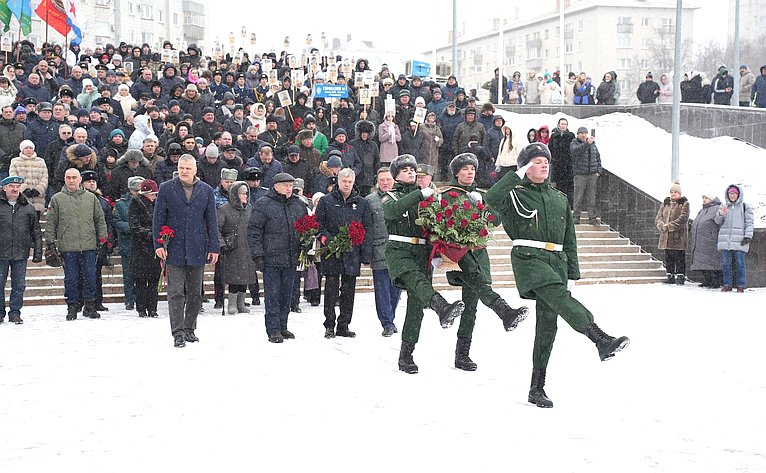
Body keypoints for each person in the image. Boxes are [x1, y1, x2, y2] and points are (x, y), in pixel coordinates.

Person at [485, 143, 630, 408]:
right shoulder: (514, 194)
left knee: (548, 325)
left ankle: (536, 388)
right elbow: (492, 199)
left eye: (546, 162)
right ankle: (599, 338)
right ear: (526, 167)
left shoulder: (559, 198)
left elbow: (569, 239)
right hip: (529, 259)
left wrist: (572, 272)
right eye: (537, 161)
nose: (544, 165)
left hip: (557, 261)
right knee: (557, 297)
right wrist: (516, 174)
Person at [440, 153, 529, 371]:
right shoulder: (448, 195)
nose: (470, 172)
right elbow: (444, 220)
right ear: (456, 173)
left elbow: (495, 220)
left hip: (478, 253)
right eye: (465, 169)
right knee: (480, 287)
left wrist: (483, 207)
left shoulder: (480, 194)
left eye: (472, 169)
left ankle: (462, 354)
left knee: (471, 307)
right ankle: (504, 311)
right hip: (458, 254)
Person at [382, 154, 465, 374]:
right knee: (417, 281)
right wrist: (419, 194)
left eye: (412, 170)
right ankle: (441, 307)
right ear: (397, 176)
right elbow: (392, 211)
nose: (410, 173)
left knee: (416, 305)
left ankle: (406, 354)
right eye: (405, 170)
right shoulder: (390, 195)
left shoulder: (428, 198)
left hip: (422, 251)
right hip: (400, 251)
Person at [153, 154, 220, 348]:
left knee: (195, 294)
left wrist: (214, 246)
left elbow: (212, 221)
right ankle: (178, 332)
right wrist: (158, 244)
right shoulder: (166, 188)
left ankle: (190, 329)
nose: (184, 171)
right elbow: (158, 219)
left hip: (198, 247)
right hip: (173, 248)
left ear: (195, 170)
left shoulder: (206, 191)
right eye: (181, 167)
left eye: (188, 168)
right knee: (175, 293)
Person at [249, 173, 308, 342]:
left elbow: (305, 227)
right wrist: (258, 254)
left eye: (291, 185)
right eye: (285, 185)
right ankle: (273, 329)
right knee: (273, 295)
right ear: (275, 186)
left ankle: (283, 326)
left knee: (286, 295)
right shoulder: (263, 204)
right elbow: (254, 230)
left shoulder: (298, 204)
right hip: (271, 258)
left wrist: (306, 243)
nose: (289, 189)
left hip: (291, 258)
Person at [315, 168, 372, 339]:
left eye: (349, 182)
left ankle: (344, 324)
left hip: (352, 252)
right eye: (343, 181)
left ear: (353, 182)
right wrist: (327, 239)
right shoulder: (326, 201)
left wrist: (366, 254)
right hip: (332, 252)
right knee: (331, 289)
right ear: (338, 182)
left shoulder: (362, 203)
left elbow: (367, 228)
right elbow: (318, 225)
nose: (346, 185)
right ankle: (329, 324)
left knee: (348, 291)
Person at [46, 168, 108, 320]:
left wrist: (103, 239)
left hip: (89, 246)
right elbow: (51, 222)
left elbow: (100, 219)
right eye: (68, 177)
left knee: (90, 277)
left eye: (74, 177)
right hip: (68, 247)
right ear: (64, 179)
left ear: (80, 179)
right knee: (71, 279)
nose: (71, 180)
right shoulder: (57, 199)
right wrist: (50, 243)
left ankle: (90, 306)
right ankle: (72, 306)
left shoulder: (91, 198)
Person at [0, 175, 42, 324]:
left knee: (19, 285)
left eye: (17, 187)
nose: (15, 189)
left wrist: (38, 252)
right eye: (11, 186)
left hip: (20, 253)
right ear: (4, 188)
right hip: (1, 253)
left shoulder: (27, 207)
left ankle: (15, 313)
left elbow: (36, 231)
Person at [366, 167, 402, 337]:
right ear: (377, 182)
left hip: (400, 252)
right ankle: (386, 322)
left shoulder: (401, 198)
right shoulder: (370, 201)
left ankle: (391, 318)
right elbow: (367, 228)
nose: (385, 183)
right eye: (382, 180)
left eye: (388, 179)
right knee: (382, 290)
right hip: (379, 250)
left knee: (396, 289)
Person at [218, 181, 257, 316]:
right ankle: (232, 303)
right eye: (242, 193)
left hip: (247, 248)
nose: (245, 195)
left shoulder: (249, 210)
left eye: (246, 193)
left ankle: (241, 303)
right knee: (234, 277)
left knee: (245, 277)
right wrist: (221, 244)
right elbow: (217, 228)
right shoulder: (224, 209)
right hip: (232, 249)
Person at [129, 179, 161, 318]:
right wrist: (150, 234)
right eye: (153, 194)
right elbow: (134, 226)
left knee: (154, 280)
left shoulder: (157, 205)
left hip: (154, 247)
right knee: (141, 280)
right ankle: (141, 308)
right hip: (141, 248)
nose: (154, 197)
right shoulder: (135, 204)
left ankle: (153, 308)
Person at [714, 184, 754, 292]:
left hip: (740, 240)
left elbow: (749, 222)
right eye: (730, 193)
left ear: (738, 194)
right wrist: (721, 214)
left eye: (734, 193)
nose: (732, 196)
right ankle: (727, 284)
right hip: (726, 240)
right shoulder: (723, 206)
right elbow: (717, 222)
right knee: (726, 264)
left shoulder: (745, 206)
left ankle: (741, 285)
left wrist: (748, 236)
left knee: (740, 264)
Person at [114, 176, 144, 310]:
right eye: (134, 190)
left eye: (139, 190)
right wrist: (132, 227)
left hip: (142, 243)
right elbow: (117, 222)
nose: (137, 192)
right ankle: (129, 299)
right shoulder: (121, 204)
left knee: (142, 273)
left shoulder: (145, 202)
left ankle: (141, 297)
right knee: (128, 273)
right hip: (128, 243)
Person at [655, 181, 690, 285]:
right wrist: (661, 225)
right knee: (668, 257)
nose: (673, 194)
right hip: (666, 236)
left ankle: (680, 277)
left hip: (679, 236)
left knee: (679, 257)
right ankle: (670, 276)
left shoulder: (684, 203)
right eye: (671, 192)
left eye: (675, 192)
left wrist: (669, 226)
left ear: (679, 193)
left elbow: (683, 219)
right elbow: (658, 217)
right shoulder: (665, 203)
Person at [689, 191, 723, 289]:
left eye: (706, 198)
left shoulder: (717, 208)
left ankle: (715, 282)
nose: (704, 200)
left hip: (711, 239)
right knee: (703, 263)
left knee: (712, 262)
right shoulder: (702, 210)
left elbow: (719, 221)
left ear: (712, 199)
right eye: (703, 198)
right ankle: (707, 281)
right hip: (700, 239)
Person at [570, 127, 601, 225]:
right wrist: (587, 144)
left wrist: (598, 171)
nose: (583, 135)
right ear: (578, 134)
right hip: (580, 174)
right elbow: (576, 151)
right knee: (578, 196)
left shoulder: (593, 145)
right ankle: (576, 217)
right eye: (581, 133)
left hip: (592, 174)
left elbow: (597, 157)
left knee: (591, 197)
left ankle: (592, 218)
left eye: (585, 133)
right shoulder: (574, 143)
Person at [548, 118, 576, 205]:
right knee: (558, 187)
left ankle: (568, 205)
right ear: (558, 125)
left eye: (565, 124)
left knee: (568, 187)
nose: (563, 126)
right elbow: (550, 149)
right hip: (557, 166)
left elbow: (573, 150)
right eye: (562, 124)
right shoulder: (554, 136)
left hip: (568, 165)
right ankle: (559, 204)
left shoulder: (571, 136)